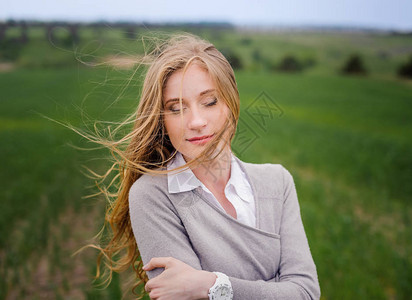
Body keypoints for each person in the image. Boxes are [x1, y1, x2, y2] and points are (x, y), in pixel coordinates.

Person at [92, 33, 320, 299]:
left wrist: (211, 286)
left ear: (231, 103)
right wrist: (276, 288)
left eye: (209, 102)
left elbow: (305, 292)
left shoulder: (278, 182)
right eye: (176, 109)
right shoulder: (152, 195)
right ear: (162, 120)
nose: (196, 121)